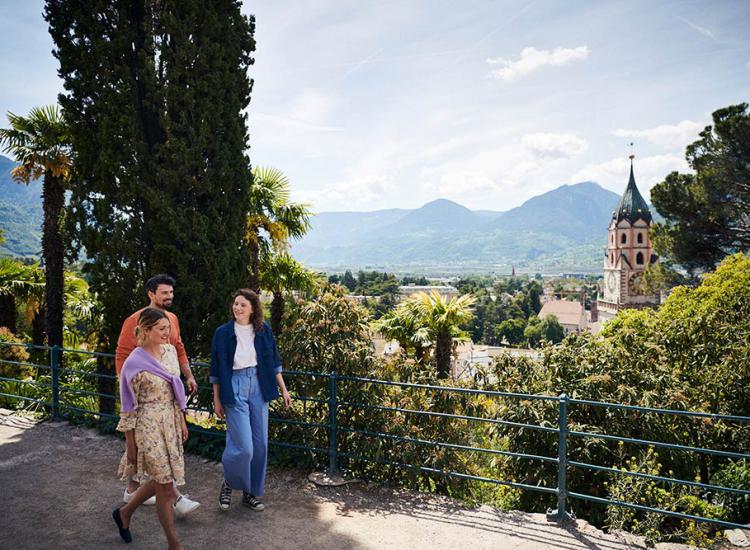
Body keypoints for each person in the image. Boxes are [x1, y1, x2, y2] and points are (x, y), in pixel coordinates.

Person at [115, 274, 199, 514]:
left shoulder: (172, 318)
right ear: (151, 294)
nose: (169, 296)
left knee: (145, 450)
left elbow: (179, 348)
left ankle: (131, 490)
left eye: (171, 292)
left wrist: (189, 375)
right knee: (146, 448)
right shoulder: (134, 320)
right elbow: (122, 357)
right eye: (164, 292)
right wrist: (130, 393)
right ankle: (175, 498)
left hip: (166, 399)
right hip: (144, 396)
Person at [112, 308, 189, 549]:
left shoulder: (170, 352)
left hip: (170, 422)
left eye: (169, 328)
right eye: (162, 329)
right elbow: (128, 408)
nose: (168, 333)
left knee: (161, 480)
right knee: (166, 488)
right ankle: (174, 544)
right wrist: (131, 448)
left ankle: (125, 513)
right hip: (148, 426)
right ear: (146, 330)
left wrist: (182, 420)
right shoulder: (133, 364)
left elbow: (174, 392)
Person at [210, 289, 291, 511]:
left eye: (243, 305)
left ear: (253, 308)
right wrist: (216, 398)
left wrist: (284, 390)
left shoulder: (264, 331)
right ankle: (229, 481)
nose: (237, 308)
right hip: (233, 386)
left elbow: (274, 363)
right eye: (235, 304)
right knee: (244, 447)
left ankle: (251, 492)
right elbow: (215, 369)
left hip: (259, 386)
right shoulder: (222, 333)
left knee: (260, 445)